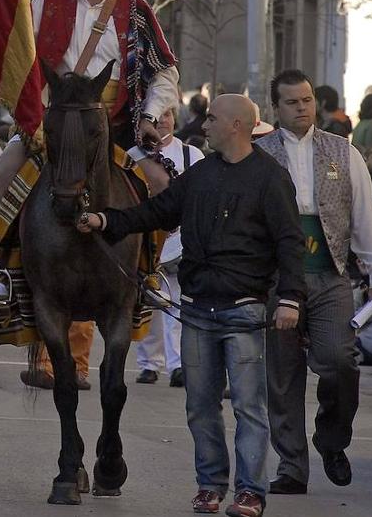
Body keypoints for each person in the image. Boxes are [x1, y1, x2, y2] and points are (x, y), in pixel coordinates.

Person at [79, 94, 306, 517]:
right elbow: (156, 211)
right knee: (200, 406)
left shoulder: (270, 178)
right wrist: (106, 220)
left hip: (245, 310)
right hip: (198, 309)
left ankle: (250, 491)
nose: (203, 125)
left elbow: (290, 243)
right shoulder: (200, 174)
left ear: (236, 125)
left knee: (248, 408)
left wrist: (290, 298)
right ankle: (210, 487)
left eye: (212, 119)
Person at [0, 0, 179, 310]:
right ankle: (0, 266)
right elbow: (20, 58)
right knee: (2, 174)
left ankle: (149, 270)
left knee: (159, 181)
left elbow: (165, 70)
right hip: (52, 122)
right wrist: (29, 111)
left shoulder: (136, 10)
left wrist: (149, 116)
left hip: (115, 124)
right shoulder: (47, 0)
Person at [256, 70, 372, 494]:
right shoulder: (258, 154)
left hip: (329, 271)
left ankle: (332, 440)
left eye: (308, 100)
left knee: (339, 361)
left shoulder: (342, 150)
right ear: (275, 108)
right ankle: (292, 466)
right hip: (276, 277)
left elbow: (365, 217)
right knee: (282, 376)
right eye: (293, 102)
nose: (303, 108)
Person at [132, 105, 203, 388]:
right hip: (146, 238)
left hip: (181, 241)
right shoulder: (133, 156)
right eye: (156, 116)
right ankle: (149, 364)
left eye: (167, 114)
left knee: (178, 305)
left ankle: (178, 365)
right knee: (149, 302)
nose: (162, 121)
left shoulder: (192, 155)